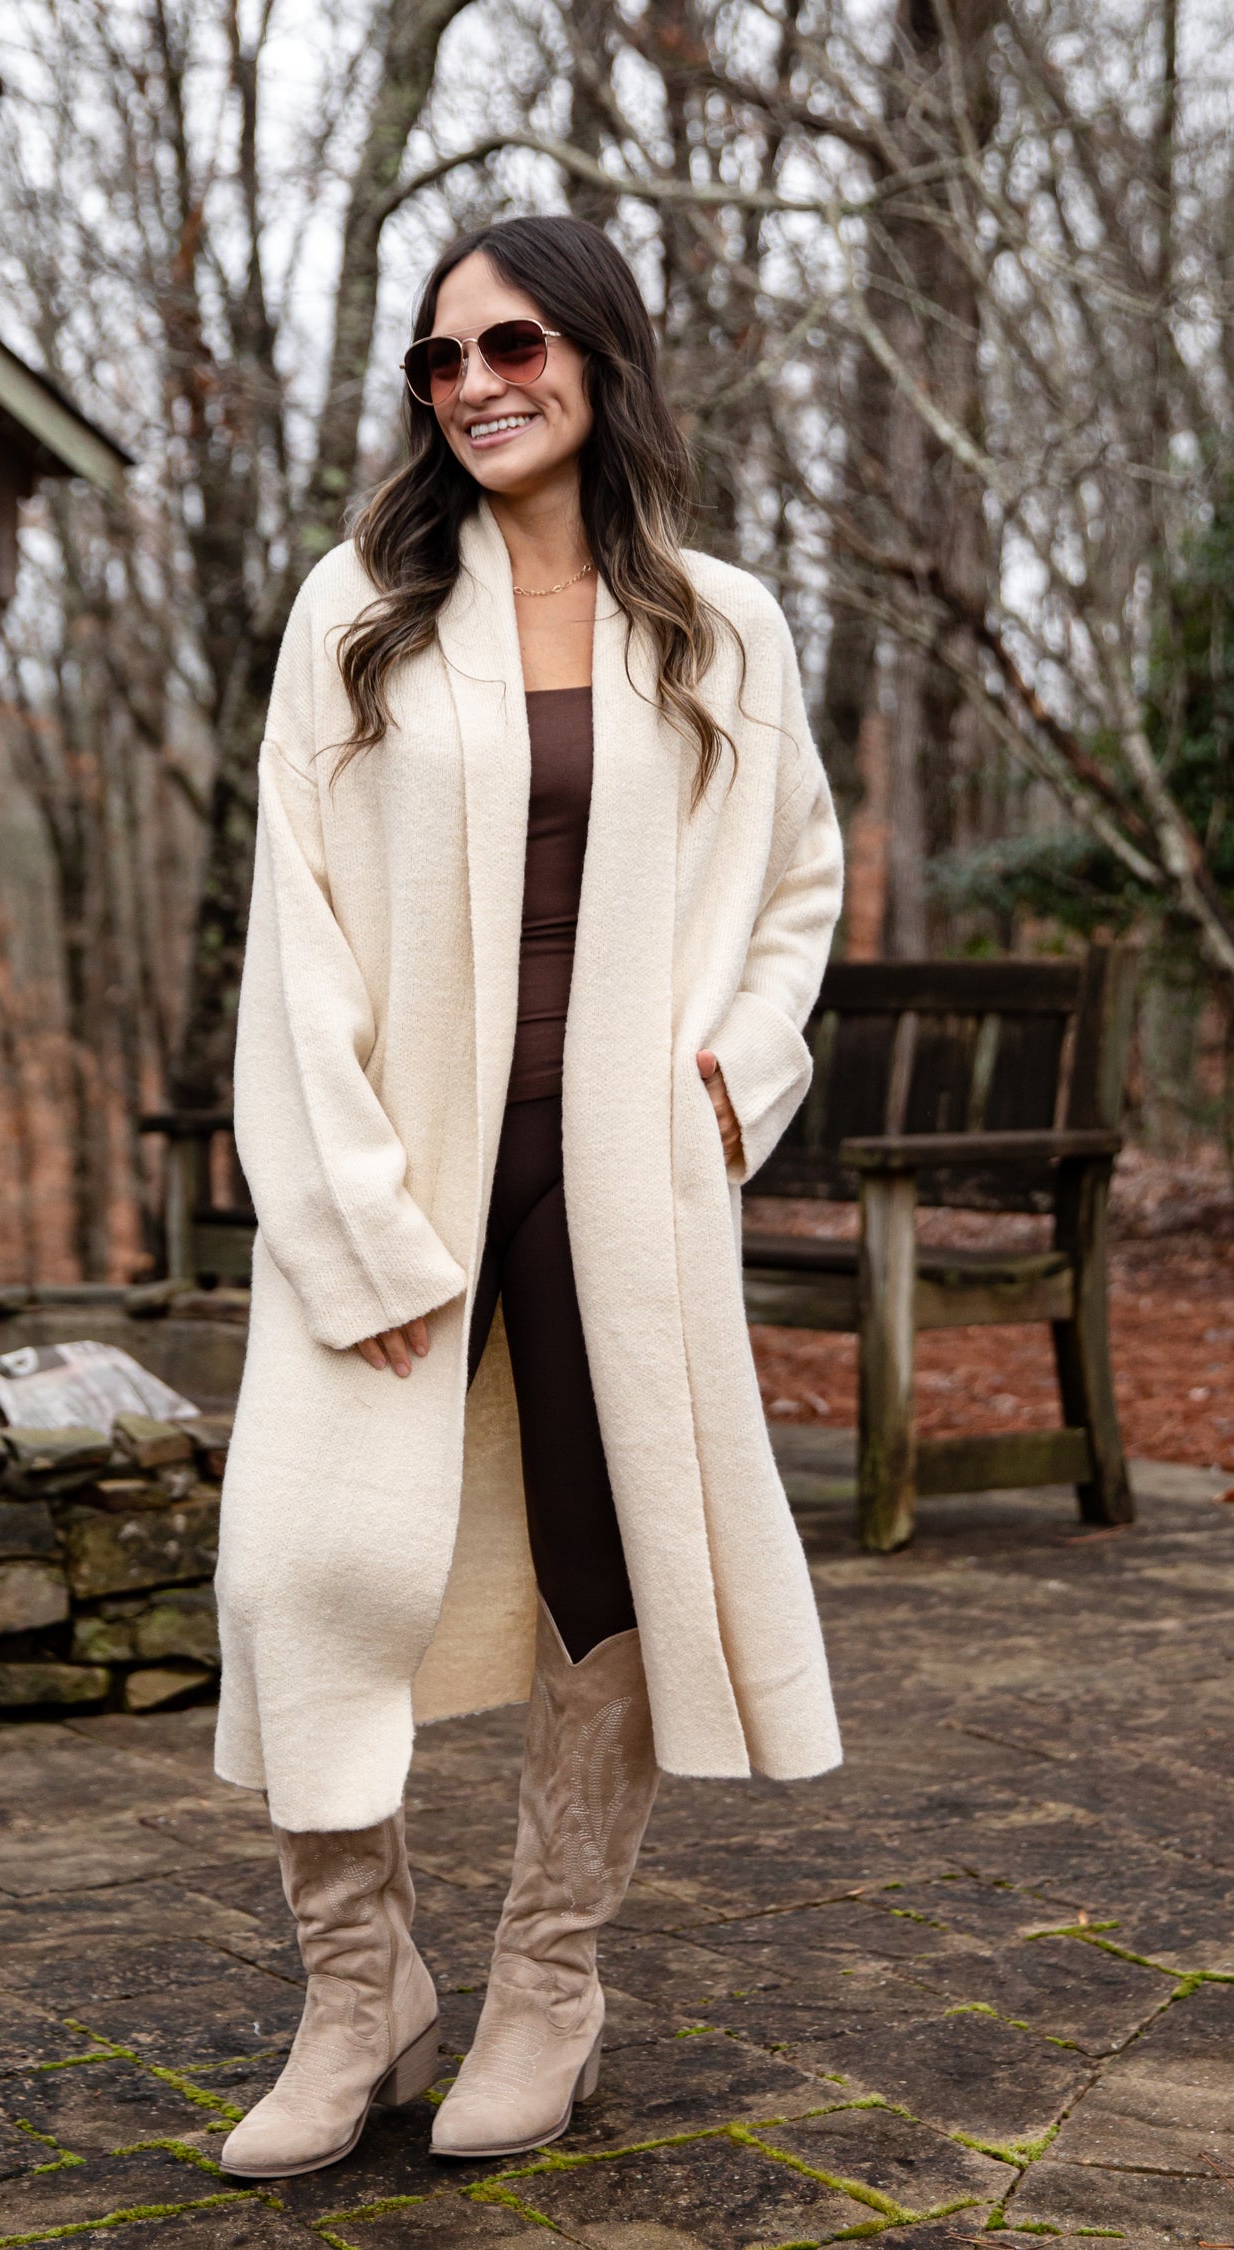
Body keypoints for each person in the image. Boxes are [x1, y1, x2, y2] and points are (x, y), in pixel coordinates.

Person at [214, 214, 844, 2182]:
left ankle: (547, 1986)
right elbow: (291, 933)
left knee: (607, 1571)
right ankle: (355, 1998)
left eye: (510, 344)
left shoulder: (719, 622)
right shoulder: (360, 607)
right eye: (440, 359)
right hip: (404, 1170)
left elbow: (801, 888)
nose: (474, 383)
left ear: (595, 353)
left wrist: (728, 1090)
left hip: (625, 1192)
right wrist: (348, 1216)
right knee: (298, 1571)